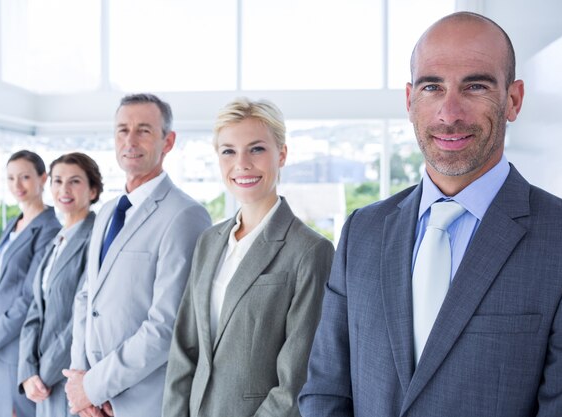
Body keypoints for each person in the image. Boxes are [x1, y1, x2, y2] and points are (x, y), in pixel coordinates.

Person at [299, 11, 562, 417]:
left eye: (475, 86)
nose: (449, 113)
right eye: (432, 87)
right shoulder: (363, 231)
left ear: (513, 100)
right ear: (410, 100)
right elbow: (325, 391)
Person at [162, 98, 335, 417]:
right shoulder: (209, 242)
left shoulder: (310, 251)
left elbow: (295, 381)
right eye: (228, 150)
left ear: (281, 154)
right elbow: (185, 350)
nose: (241, 163)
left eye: (256, 149)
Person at [64, 93, 211, 417]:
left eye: (144, 130)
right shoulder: (105, 213)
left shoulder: (185, 215)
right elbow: (86, 298)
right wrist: (80, 380)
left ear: (168, 141)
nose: (130, 140)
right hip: (93, 399)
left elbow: (166, 325)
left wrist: (94, 386)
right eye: (122, 130)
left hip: (144, 402)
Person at [0, 150, 61, 417]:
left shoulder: (49, 229)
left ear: (42, 178)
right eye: (10, 178)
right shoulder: (13, 223)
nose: (17, 186)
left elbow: (29, 298)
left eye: (25, 177)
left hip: (18, 346)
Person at [17, 152, 103, 417]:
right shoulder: (57, 239)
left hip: (68, 377)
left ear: (93, 190)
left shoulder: (95, 239)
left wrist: (44, 374)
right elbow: (35, 309)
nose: (63, 189)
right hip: (41, 381)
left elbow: (82, 316)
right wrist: (27, 371)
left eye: (74, 181)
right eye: (57, 181)